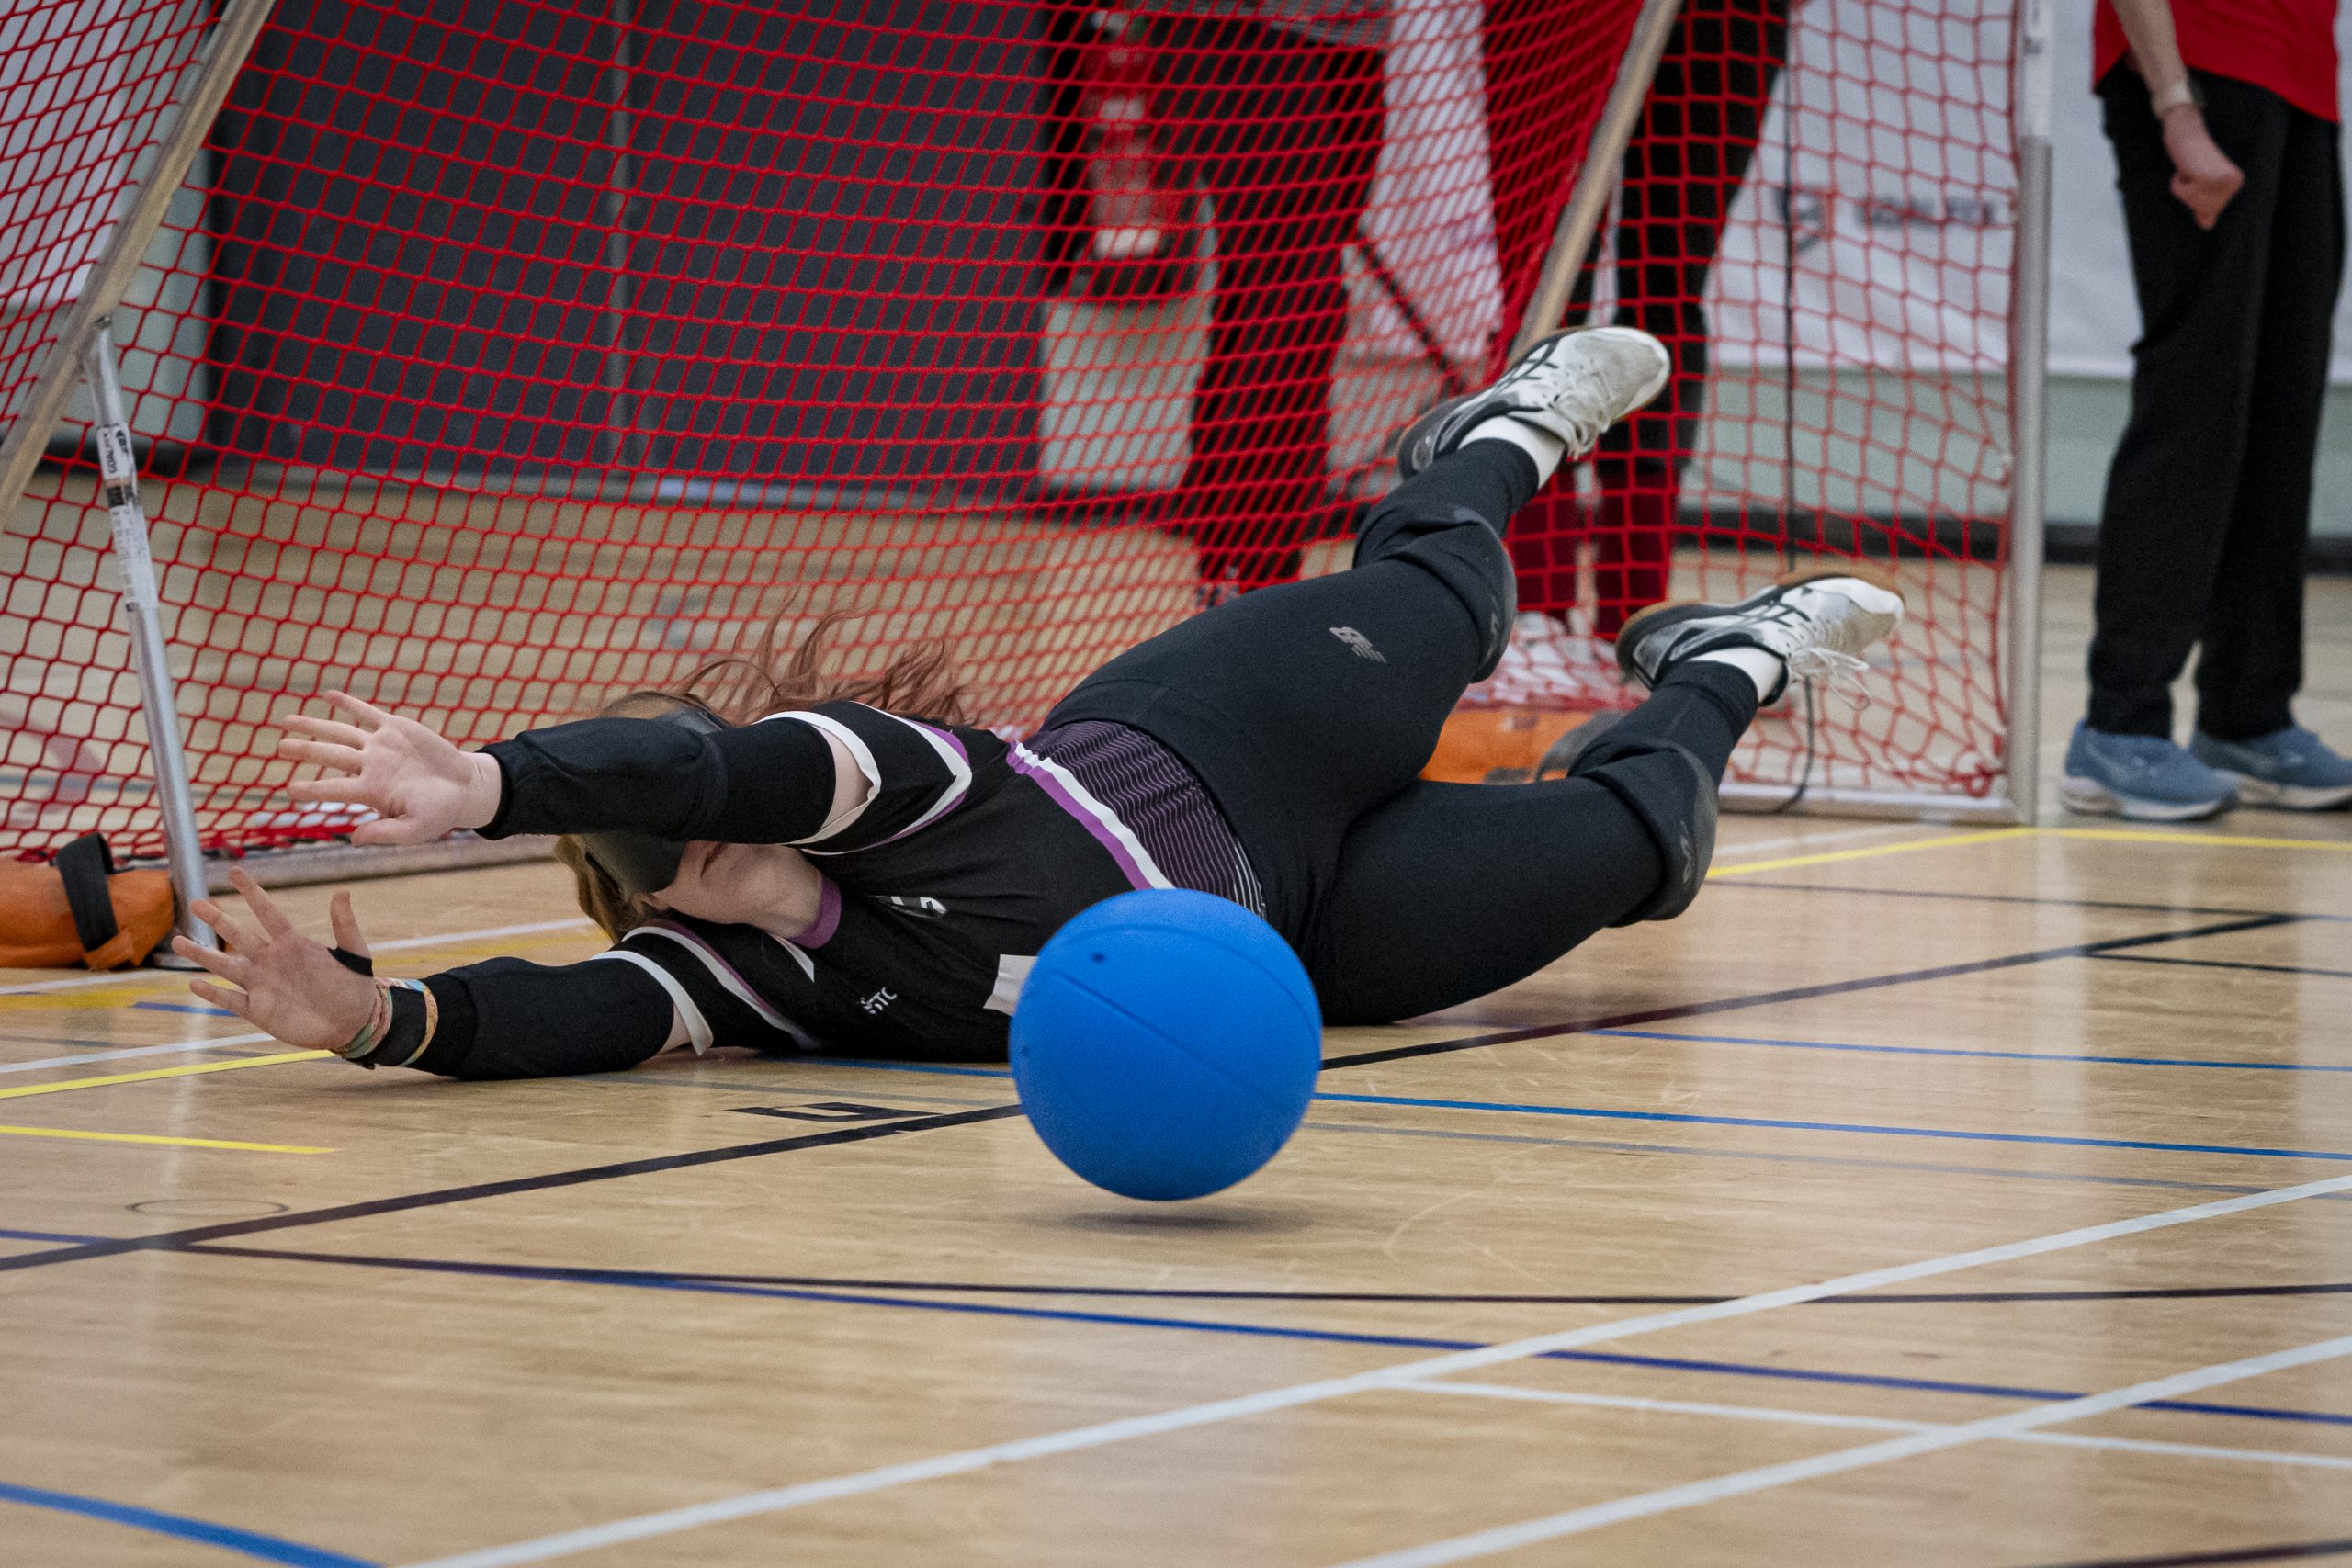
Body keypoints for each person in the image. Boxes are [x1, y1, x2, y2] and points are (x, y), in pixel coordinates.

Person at [175, 328, 1905, 1078]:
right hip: (1290, 950)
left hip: (1225, 739)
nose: (714, 825)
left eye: (705, 801)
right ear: (668, 886)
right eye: (679, 847)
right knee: (1634, 845)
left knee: (1451, 606)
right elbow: (566, 1019)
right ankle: (1726, 666)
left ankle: (1488, 445)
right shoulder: (741, 978)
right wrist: (367, 1019)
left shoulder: (892, 782)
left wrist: (483, 780)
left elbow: (718, 756)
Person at [2064, 0, 2352, 818]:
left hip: (2302, 80)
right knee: (2197, 396)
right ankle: (2120, 724)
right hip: (2199, 69)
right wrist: (2175, 102)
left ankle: (2248, 714)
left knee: (2282, 403)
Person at [1475, 0, 1791, 703]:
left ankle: (1635, 614)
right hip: (1555, 17)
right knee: (1546, 288)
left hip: (1717, 19)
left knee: (1669, 294)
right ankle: (1532, 611)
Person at [1145, 2, 1387, 599]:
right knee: (1301, 306)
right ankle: (1259, 584)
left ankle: (1226, 568)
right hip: (1241, 27)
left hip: (1356, 37)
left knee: (1263, 296)